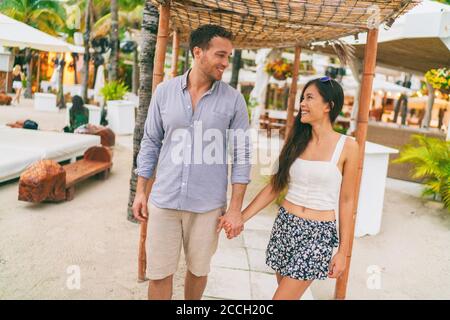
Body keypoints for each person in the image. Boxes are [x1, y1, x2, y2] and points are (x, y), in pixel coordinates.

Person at [132, 24, 251, 300]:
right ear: (198, 52)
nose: (225, 62)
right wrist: (141, 192)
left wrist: (235, 210)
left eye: (228, 57)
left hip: (207, 206)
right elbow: (150, 142)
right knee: (159, 272)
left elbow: (242, 155)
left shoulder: (234, 101)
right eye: (220, 55)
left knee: (198, 270)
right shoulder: (164, 92)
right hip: (164, 200)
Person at [223, 77, 359, 300]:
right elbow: (275, 187)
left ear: (328, 106)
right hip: (285, 226)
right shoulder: (296, 140)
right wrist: (241, 217)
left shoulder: (348, 147)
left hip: (318, 235)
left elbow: (347, 201)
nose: (302, 104)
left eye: (309, 98)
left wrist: (342, 252)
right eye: (302, 98)